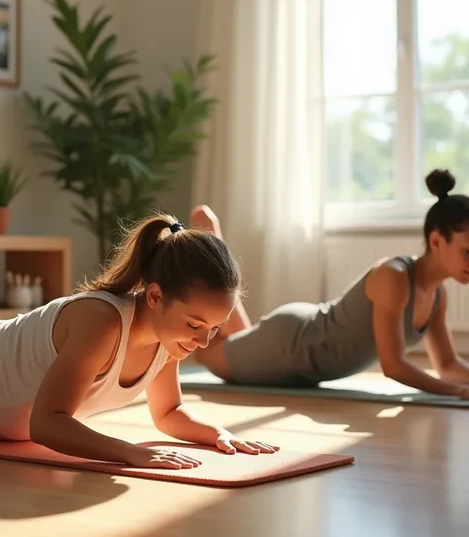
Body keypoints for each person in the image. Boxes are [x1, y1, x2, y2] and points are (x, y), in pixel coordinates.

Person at [0, 213, 278, 468]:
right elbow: (46, 423)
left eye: (215, 329)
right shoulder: (101, 321)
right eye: (195, 324)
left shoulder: (169, 340)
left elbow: (168, 412)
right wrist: (130, 452)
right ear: (155, 296)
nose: (203, 341)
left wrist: (217, 434)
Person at [194, 169, 469, 399]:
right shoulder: (394, 275)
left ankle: (216, 245)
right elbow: (393, 365)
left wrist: (456, 383)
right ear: (436, 241)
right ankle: (211, 247)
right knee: (209, 353)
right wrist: (456, 391)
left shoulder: (437, 295)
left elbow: (447, 364)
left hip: (304, 353)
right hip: (294, 347)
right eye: (467, 251)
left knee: (235, 341)